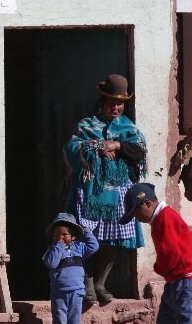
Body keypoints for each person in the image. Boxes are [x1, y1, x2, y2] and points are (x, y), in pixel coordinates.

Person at [63, 74, 148, 304]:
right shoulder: (87, 124)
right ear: (102, 102)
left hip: (118, 192)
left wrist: (118, 145)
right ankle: (87, 283)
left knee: (113, 239)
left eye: (120, 103)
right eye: (111, 103)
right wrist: (98, 147)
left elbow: (139, 151)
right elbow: (71, 148)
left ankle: (100, 282)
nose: (116, 108)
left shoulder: (128, 127)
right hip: (90, 191)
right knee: (88, 236)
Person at [119, 183, 192, 324]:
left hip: (186, 280)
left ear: (147, 203)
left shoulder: (164, 218)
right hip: (175, 280)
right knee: (166, 320)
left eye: (137, 214)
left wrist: (158, 268)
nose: (137, 219)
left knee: (188, 320)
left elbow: (171, 252)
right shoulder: (161, 219)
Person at [42, 212, 99, 324]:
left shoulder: (78, 248)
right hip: (59, 293)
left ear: (73, 237)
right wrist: (58, 247)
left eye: (64, 234)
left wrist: (86, 230)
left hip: (77, 292)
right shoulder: (52, 250)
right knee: (60, 321)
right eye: (56, 234)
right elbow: (52, 264)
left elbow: (94, 246)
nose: (60, 237)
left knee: (74, 321)